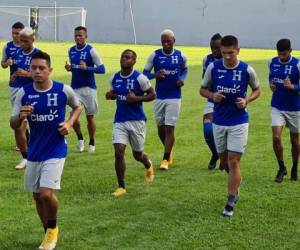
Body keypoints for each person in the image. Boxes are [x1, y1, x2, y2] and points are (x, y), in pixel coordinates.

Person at [10, 51, 81, 250]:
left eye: (42, 68)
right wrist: (21, 117)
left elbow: (78, 106)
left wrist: (69, 123)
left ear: (50, 70)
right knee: (36, 195)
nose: (37, 71)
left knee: (45, 194)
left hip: (56, 149)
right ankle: (47, 233)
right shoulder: (24, 93)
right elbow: (13, 124)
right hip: (35, 151)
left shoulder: (62, 90)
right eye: (34, 68)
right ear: (29, 70)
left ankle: (53, 228)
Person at [200, 35, 260, 217]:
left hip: (239, 121)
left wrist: (247, 100)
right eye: (224, 53)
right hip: (219, 121)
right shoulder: (213, 67)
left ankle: (230, 202)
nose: (226, 57)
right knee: (225, 162)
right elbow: (202, 89)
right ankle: (236, 187)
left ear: (238, 50)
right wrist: (212, 96)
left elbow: (257, 89)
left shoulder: (246, 70)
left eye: (230, 53)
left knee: (234, 160)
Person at [106, 49, 156, 197]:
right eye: (123, 56)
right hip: (120, 120)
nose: (124, 59)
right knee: (119, 151)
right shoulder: (114, 77)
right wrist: (110, 95)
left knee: (137, 155)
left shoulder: (140, 78)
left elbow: (153, 95)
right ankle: (121, 186)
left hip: (137, 120)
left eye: (128, 57)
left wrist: (136, 99)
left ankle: (148, 164)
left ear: (134, 61)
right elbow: (114, 94)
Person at [143, 29, 188, 170]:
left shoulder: (181, 55)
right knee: (160, 128)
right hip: (159, 96)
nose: (166, 43)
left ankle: (165, 158)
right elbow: (144, 74)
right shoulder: (154, 55)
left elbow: (185, 69)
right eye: (163, 41)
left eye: (169, 41)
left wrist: (182, 79)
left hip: (174, 97)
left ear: (174, 41)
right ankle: (169, 152)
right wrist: (155, 75)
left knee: (169, 128)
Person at [65, 26, 105, 153]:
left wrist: (87, 68)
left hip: (88, 88)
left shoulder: (91, 50)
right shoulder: (71, 50)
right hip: (74, 88)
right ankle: (80, 138)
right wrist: (70, 68)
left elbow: (102, 69)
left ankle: (92, 141)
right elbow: (76, 67)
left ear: (86, 36)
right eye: (76, 35)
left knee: (89, 117)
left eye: (80, 35)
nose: (77, 37)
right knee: (73, 116)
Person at [269, 39, 300, 182]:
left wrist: (292, 87)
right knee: (276, 137)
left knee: (295, 141)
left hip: (294, 108)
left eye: (284, 54)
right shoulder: (272, 62)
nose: (281, 57)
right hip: (277, 106)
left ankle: (294, 167)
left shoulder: (297, 64)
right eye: (279, 54)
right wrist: (272, 85)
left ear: (290, 50)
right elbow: (271, 77)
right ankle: (282, 168)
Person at [10, 26, 40, 170]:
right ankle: (25, 158)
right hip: (19, 93)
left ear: (33, 39)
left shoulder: (39, 55)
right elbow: (16, 71)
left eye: (25, 41)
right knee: (17, 125)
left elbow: (43, 76)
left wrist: (28, 74)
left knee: (39, 126)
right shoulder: (17, 53)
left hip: (35, 94)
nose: (22, 44)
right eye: (21, 41)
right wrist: (14, 76)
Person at [1, 22, 25, 151]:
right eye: (13, 33)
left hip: (27, 84)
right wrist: (7, 63)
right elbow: (3, 64)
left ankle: (24, 142)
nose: (15, 35)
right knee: (17, 115)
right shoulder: (7, 47)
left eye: (17, 33)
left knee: (25, 114)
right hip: (14, 85)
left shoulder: (28, 46)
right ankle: (23, 141)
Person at [202, 33, 223, 170]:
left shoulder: (231, 60)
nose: (214, 51)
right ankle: (216, 154)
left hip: (228, 103)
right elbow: (204, 81)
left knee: (224, 132)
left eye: (217, 48)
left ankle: (224, 156)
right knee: (208, 130)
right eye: (212, 48)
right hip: (212, 100)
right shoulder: (207, 60)